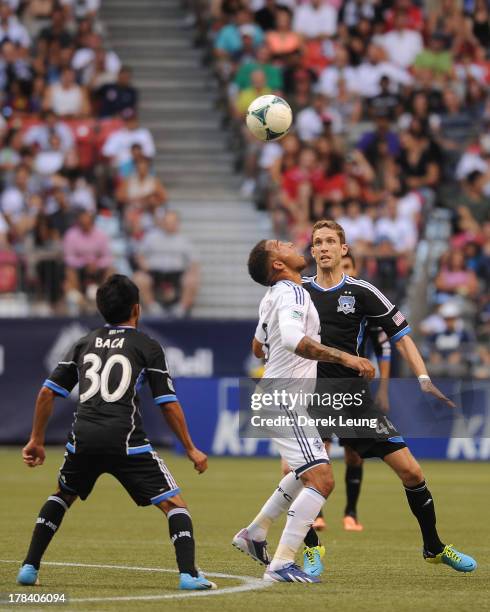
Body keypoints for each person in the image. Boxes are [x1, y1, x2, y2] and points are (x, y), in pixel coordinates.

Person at [16, 274, 217, 591]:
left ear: (101, 310)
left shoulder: (83, 342)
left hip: (83, 438)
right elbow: (167, 403)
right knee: (174, 505)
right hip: (127, 441)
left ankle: (29, 566)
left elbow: (46, 393)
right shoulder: (146, 345)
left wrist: (36, 439)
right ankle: (189, 574)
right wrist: (191, 448)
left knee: (62, 495)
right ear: (136, 309)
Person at [301, 219, 477, 573]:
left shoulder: (363, 291)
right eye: (317, 242)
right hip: (310, 398)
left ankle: (434, 547)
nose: (323, 248)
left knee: (411, 472)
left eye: (330, 241)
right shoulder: (297, 291)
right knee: (300, 474)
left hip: (354, 401)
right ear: (312, 250)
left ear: (343, 249)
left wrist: (423, 377)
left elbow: (403, 336)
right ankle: (311, 549)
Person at [232, 238, 375, 583]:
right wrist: (346, 357)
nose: (292, 243)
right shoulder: (293, 293)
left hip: (278, 397)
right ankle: (281, 563)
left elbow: (256, 348)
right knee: (322, 480)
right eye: (280, 245)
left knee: (302, 474)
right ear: (277, 265)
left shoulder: (272, 297)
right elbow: (295, 341)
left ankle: (255, 533)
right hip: (285, 400)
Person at [286, 251, 392, 533]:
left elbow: (385, 346)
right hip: (318, 389)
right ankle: (316, 514)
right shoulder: (308, 294)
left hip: (352, 389)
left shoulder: (363, 301)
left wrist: (383, 388)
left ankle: (351, 512)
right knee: (319, 453)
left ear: (353, 268)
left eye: (347, 266)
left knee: (353, 455)